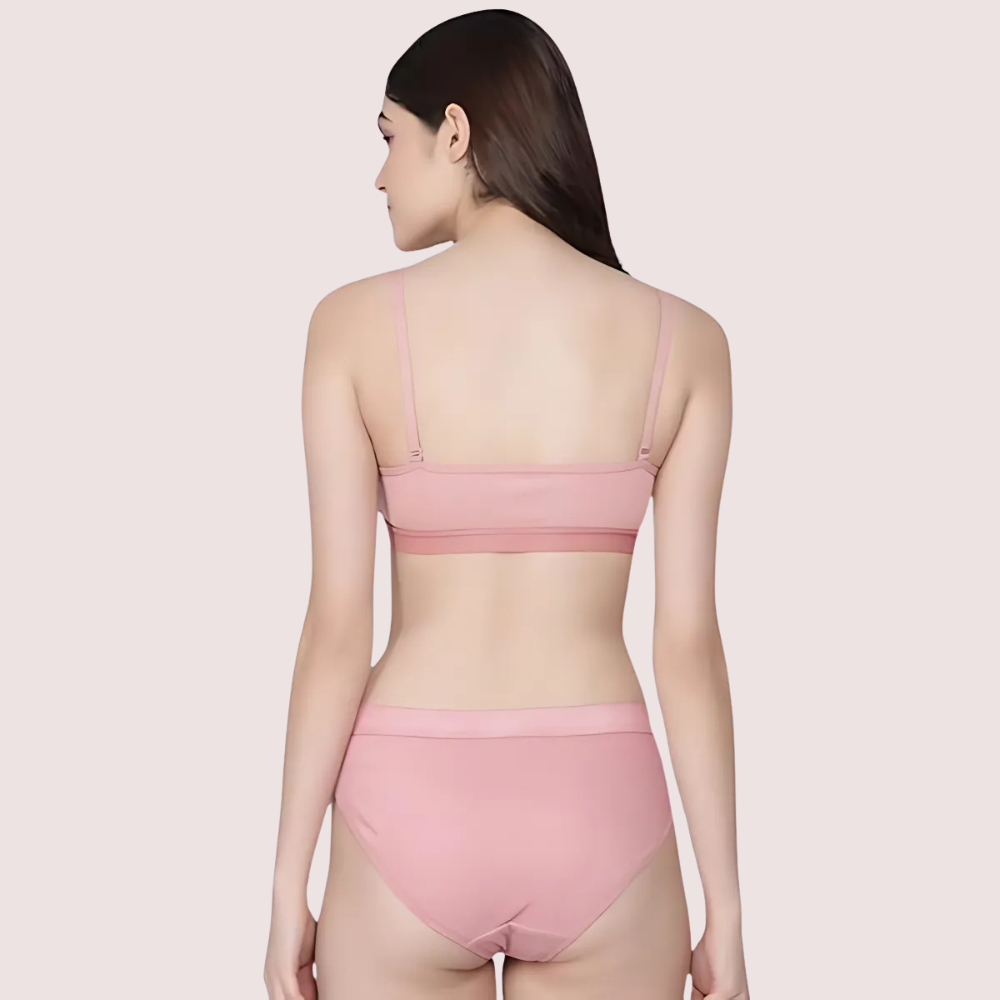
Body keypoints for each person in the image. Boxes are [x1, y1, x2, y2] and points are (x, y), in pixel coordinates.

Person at [264, 10, 748, 1000]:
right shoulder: (687, 341)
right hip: (600, 812)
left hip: (409, 810)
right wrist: (727, 908)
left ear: (454, 130)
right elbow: (688, 645)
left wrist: (284, 882)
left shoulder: (349, 327)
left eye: (388, 136)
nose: (379, 175)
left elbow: (337, 629)